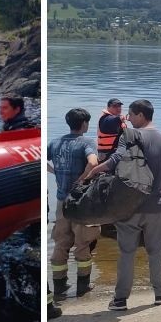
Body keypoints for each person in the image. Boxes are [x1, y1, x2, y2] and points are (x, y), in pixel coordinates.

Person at [88, 99, 161, 311]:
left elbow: (116, 159)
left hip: (128, 207)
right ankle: (160, 294)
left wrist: (94, 171)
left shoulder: (129, 135)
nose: (127, 118)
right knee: (156, 252)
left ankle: (120, 299)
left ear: (140, 115)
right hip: (157, 206)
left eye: (130, 114)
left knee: (126, 253)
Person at [47, 108, 100, 299]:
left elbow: (39, 160)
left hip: (62, 200)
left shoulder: (55, 143)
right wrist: (83, 179)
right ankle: (82, 286)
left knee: (61, 242)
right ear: (84, 124)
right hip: (81, 202)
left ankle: (59, 288)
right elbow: (93, 163)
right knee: (83, 242)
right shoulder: (86, 142)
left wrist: (54, 172)